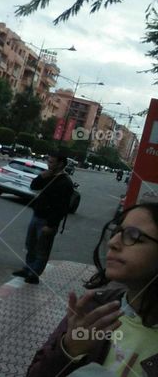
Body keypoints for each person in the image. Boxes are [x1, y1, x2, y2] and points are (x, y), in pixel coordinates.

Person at [26, 203, 158, 376]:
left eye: (133, 236)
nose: (112, 243)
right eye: (117, 232)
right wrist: (68, 350)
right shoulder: (94, 308)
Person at [12, 149, 74, 285]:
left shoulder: (65, 183)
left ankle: (34, 275)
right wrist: (42, 176)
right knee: (30, 244)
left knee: (42, 248)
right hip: (37, 215)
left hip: (47, 221)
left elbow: (62, 208)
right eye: (48, 161)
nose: (49, 164)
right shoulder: (48, 176)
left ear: (60, 164)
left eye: (52, 162)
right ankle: (28, 268)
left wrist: (51, 225)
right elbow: (33, 186)